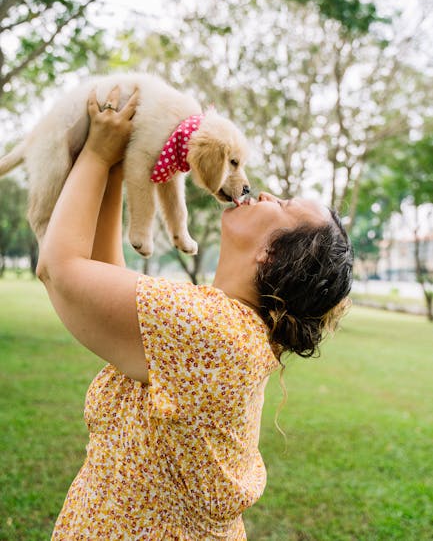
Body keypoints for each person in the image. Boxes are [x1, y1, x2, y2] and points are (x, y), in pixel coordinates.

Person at [37, 85, 353, 540]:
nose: (263, 194)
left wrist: (92, 156)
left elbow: (60, 269)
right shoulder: (224, 324)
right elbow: (101, 275)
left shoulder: (210, 330)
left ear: (272, 256)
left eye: (282, 206)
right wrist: (115, 161)